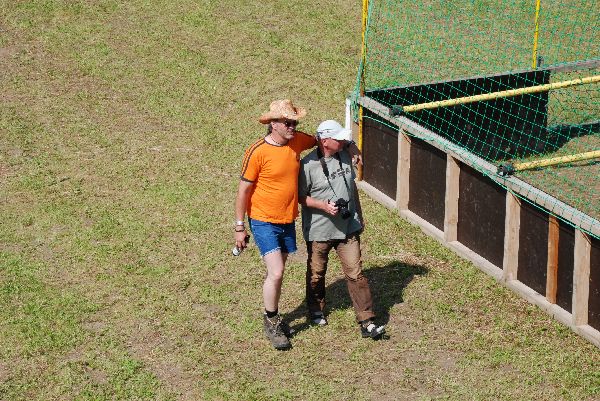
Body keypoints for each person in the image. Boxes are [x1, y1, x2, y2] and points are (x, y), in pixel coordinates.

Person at [298, 120, 385, 339]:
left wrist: (359, 218)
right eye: (339, 138)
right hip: (319, 231)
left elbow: (352, 189)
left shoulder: (345, 152)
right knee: (316, 274)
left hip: (348, 228)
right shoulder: (307, 165)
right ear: (325, 141)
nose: (344, 140)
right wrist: (323, 206)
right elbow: (299, 197)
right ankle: (316, 309)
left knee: (356, 274)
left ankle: (367, 321)